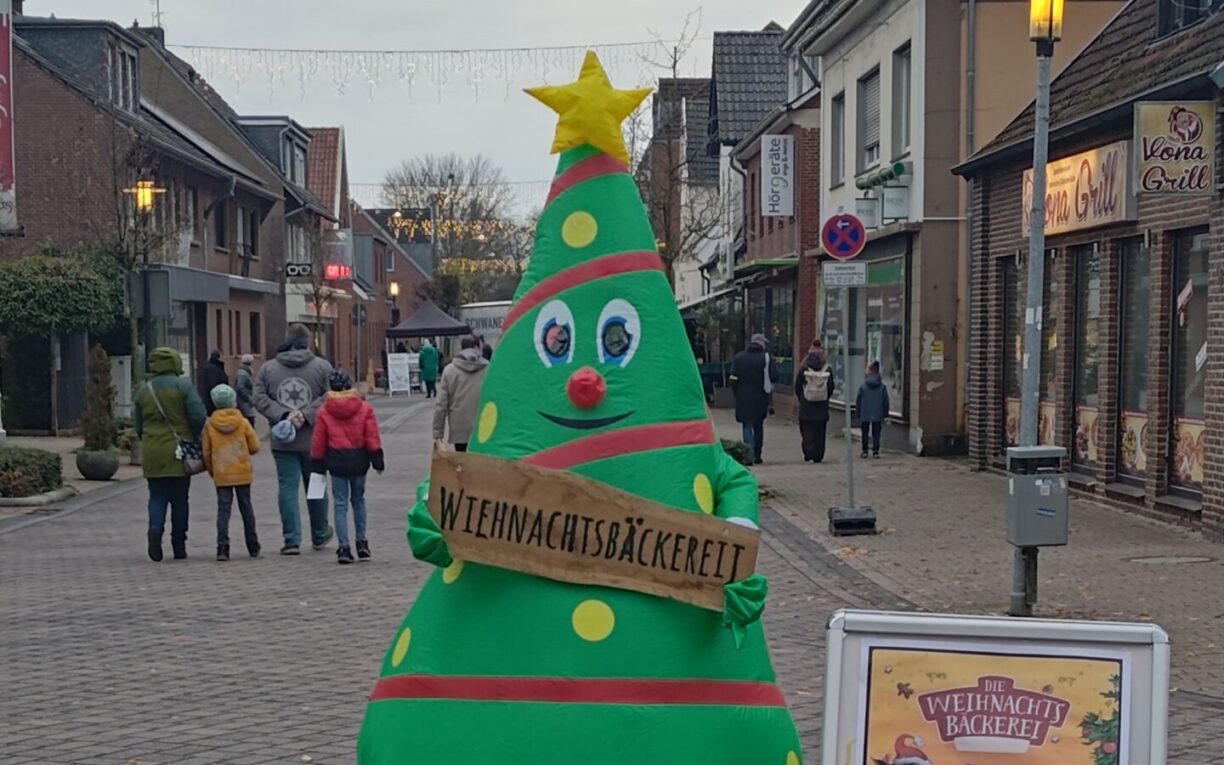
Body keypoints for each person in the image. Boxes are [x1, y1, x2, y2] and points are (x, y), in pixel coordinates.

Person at [253, 323, 334, 555]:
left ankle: (291, 540)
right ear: (307, 341)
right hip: (315, 440)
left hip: (282, 440)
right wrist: (306, 414)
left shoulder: (268, 369)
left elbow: (259, 398)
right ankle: (319, 533)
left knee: (287, 488)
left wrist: (283, 414)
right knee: (316, 486)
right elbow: (330, 396)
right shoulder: (322, 367)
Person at [133, 347, 207, 562]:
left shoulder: (143, 389)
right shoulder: (183, 386)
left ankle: (155, 530)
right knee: (180, 499)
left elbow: (138, 424)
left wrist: (147, 438)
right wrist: (192, 436)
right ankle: (179, 544)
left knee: (156, 495)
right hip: (179, 450)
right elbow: (198, 415)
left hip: (152, 449)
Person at [312, 369, 385, 564]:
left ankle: (344, 547)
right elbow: (371, 436)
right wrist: (377, 459)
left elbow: (319, 441)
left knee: (340, 505)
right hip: (359, 459)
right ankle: (361, 542)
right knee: (359, 501)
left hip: (336, 460)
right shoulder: (364, 408)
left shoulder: (324, 410)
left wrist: (317, 462)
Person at [202, 384, 262, 562]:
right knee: (246, 508)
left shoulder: (210, 425)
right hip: (242, 471)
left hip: (222, 473)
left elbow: (206, 452)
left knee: (223, 510)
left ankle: (222, 547)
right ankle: (253, 545)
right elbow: (255, 446)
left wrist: (213, 471)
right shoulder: (242, 422)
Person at [433, 335, 489, 451]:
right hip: (484, 429)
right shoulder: (488, 369)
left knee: (462, 465)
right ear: (477, 347)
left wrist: (438, 434)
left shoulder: (449, 371)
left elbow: (441, 405)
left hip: (459, 431)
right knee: (482, 466)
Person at [729, 333, 777, 464]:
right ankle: (757, 454)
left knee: (746, 424)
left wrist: (736, 392)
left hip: (743, 397)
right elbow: (774, 376)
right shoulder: (765, 358)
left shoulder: (739, 358)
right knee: (758, 425)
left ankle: (748, 453)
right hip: (760, 397)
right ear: (761, 344)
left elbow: (733, 378)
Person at [795, 350, 835, 463]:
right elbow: (831, 386)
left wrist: (802, 398)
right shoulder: (827, 370)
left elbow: (797, 386)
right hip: (821, 407)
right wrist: (825, 398)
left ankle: (808, 451)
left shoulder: (804, 369)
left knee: (806, 430)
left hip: (806, 406)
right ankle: (818, 455)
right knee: (820, 431)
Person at [856, 360, 890, 459]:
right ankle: (875, 451)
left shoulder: (863, 386)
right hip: (878, 411)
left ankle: (865, 450)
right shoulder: (882, 387)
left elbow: (858, 400)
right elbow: (885, 400)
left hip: (865, 411)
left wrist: (858, 412)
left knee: (865, 431)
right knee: (876, 431)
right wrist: (885, 412)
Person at [235, 353, 256, 426]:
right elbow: (240, 387)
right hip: (244, 401)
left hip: (245, 400)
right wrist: (248, 398)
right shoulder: (243, 374)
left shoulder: (244, 372)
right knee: (249, 419)